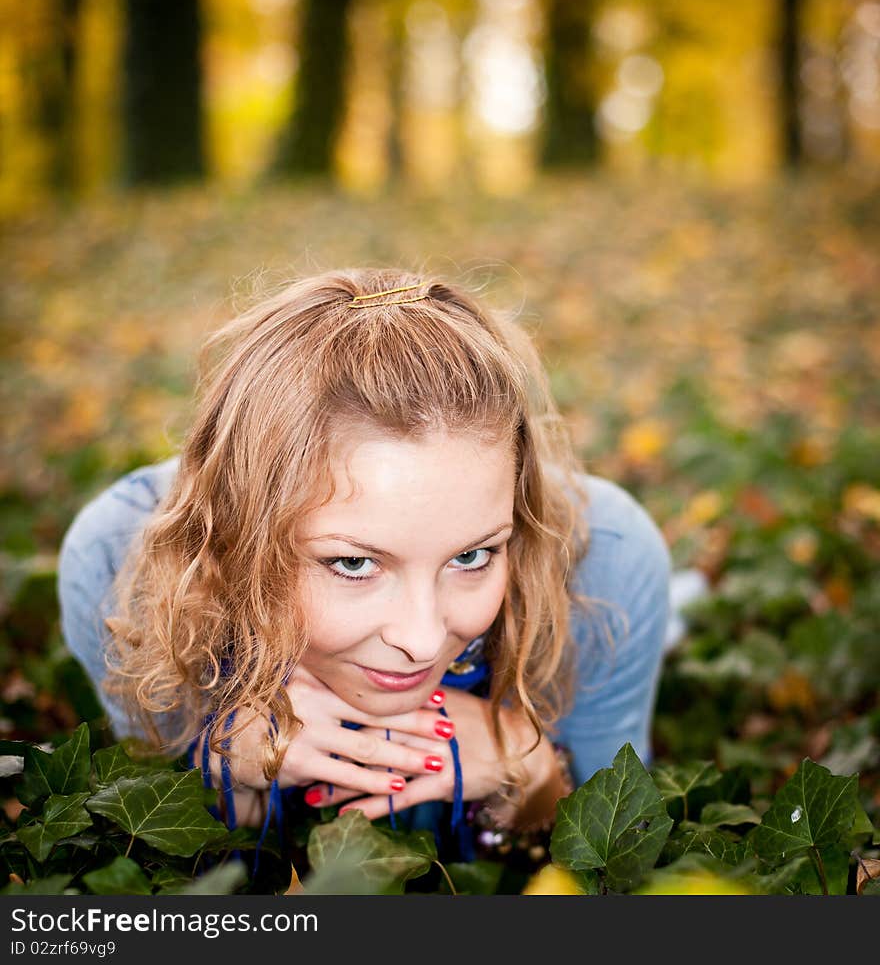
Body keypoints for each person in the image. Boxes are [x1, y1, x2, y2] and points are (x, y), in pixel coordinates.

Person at [57, 267, 675, 872]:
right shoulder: (124, 566)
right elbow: (167, 860)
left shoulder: (604, 561)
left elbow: (617, 858)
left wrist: (533, 769)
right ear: (236, 542)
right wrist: (224, 768)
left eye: (472, 556)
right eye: (354, 563)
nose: (422, 639)